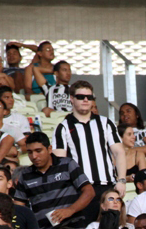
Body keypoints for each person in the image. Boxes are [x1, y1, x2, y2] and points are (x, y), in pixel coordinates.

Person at [52, 81, 126, 215]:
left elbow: (119, 152)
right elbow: (60, 163)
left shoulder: (105, 123)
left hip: (107, 187)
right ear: (72, 99)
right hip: (80, 190)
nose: (86, 100)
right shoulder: (63, 127)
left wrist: (121, 181)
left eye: (89, 97)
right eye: (81, 96)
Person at [15, 132, 94, 229]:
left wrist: (70, 210)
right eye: (30, 152)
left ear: (49, 149)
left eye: (38, 151)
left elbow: (89, 192)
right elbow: (18, 207)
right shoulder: (25, 175)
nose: (34, 156)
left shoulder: (67, 164)